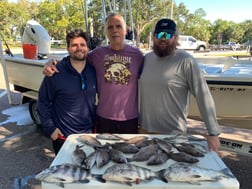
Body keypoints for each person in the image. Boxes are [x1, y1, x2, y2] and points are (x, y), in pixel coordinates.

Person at [42, 13, 144, 134]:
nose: (114, 30)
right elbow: (77, 56)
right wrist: (52, 62)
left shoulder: (138, 55)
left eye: (118, 26)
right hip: (103, 118)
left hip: (129, 118)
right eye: (110, 27)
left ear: (125, 30)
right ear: (106, 31)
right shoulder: (97, 54)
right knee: (104, 151)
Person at [139, 18, 221, 153]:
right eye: (160, 35)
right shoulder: (147, 58)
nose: (163, 39)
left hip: (173, 134)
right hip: (144, 130)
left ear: (176, 38)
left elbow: (203, 95)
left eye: (168, 35)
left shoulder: (186, 60)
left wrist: (213, 133)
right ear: (154, 37)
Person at [38, 29, 97, 154]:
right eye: (74, 45)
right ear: (68, 48)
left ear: (88, 47)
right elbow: (43, 101)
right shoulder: (55, 72)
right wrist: (50, 129)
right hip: (63, 138)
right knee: (65, 173)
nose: (79, 48)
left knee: (87, 172)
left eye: (82, 45)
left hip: (89, 136)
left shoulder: (94, 71)